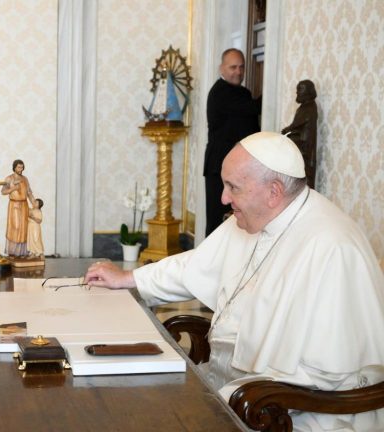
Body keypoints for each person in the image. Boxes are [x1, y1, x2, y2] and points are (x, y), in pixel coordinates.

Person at [85, 131, 384, 430]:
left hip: (297, 413)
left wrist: (233, 397)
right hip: (233, 388)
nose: (224, 198)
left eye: (233, 187)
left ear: (274, 192)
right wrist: (129, 277)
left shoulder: (332, 247)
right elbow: (195, 265)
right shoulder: (257, 214)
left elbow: (324, 375)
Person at [204, 48, 261, 236]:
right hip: (219, 168)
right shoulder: (220, 92)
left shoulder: (241, 92)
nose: (238, 71)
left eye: (241, 67)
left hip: (237, 167)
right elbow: (253, 108)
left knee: (236, 224)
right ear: (221, 68)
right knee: (217, 223)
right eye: (233, 67)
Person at [282, 80, 318, 189]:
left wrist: (288, 129)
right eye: (297, 90)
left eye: (300, 90)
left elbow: (299, 123)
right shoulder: (303, 107)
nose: (297, 93)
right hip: (300, 139)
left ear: (308, 92)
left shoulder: (310, 107)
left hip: (304, 143)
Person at [1, 159, 36, 256]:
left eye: (22, 167)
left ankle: (22, 252)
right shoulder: (9, 178)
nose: (21, 169)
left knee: (23, 227)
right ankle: (13, 251)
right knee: (15, 227)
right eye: (19, 167)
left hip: (24, 205)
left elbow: (29, 192)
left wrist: (34, 203)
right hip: (14, 205)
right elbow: (3, 191)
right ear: (14, 167)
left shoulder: (25, 179)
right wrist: (13, 188)